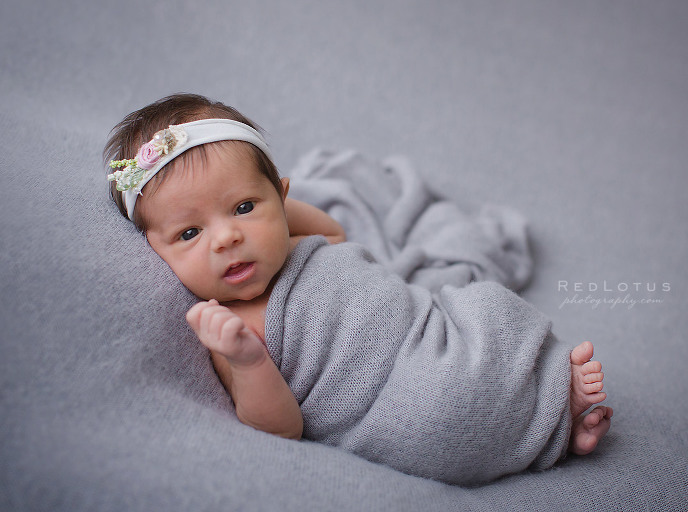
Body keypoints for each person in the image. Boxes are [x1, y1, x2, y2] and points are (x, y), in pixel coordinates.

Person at [105, 93, 612, 485]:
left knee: (484, 306)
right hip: (401, 406)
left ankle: (559, 422)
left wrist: (277, 214)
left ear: (281, 196)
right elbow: (280, 428)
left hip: (427, 339)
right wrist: (248, 362)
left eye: (243, 207)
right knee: (469, 352)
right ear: (154, 248)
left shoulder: (303, 242)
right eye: (189, 234)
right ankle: (549, 411)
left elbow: (334, 232)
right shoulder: (234, 330)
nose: (228, 238)